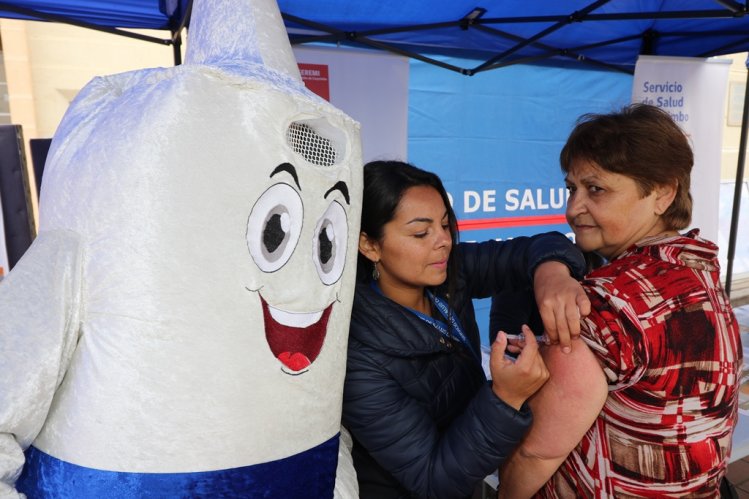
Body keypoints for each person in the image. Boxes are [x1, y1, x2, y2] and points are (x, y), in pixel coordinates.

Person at [498, 103, 742, 498]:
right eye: (571, 189)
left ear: (662, 193)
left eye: (596, 189)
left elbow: (534, 455)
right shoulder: (700, 269)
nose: (573, 207)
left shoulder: (608, 301)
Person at [342, 160, 591, 499]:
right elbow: (434, 481)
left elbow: (534, 248)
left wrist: (553, 273)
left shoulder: (450, 272)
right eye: (421, 233)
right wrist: (506, 397)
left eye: (445, 225)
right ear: (369, 245)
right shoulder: (360, 361)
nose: (443, 241)